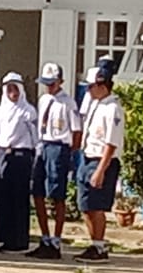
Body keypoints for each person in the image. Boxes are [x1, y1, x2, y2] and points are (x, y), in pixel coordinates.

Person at [28, 62, 83, 260]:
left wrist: (69, 152)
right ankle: (44, 237)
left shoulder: (68, 103)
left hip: (59, 146)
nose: (49, 87)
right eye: (46, 83)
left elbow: (77, 130)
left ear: (60, 81)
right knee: (37, 191)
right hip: (43, 144)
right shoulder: (44, 100)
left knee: (57, 194)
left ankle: (57, 239)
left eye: (52, 83)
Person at [74, 64, 125, 262]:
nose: (88, 90)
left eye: (91, 86)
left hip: (102, 161)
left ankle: (99, 245)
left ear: (102, 85)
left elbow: (111, 142)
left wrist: (100, 170)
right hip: (88, 157)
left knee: (96, 205)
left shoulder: (113, 108)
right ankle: (94, 242)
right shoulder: (96, 104)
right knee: (85, 204)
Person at [0, 73, 38, 253]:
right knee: (3, 199)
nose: (13, 93)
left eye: (15, 88)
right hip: (3, 156)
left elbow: (34, 138)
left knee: (19, 199)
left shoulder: (28, 111)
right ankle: (5, 238)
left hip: (20, 157)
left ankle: (19, 240)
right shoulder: (1, 111)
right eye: (9, 89)